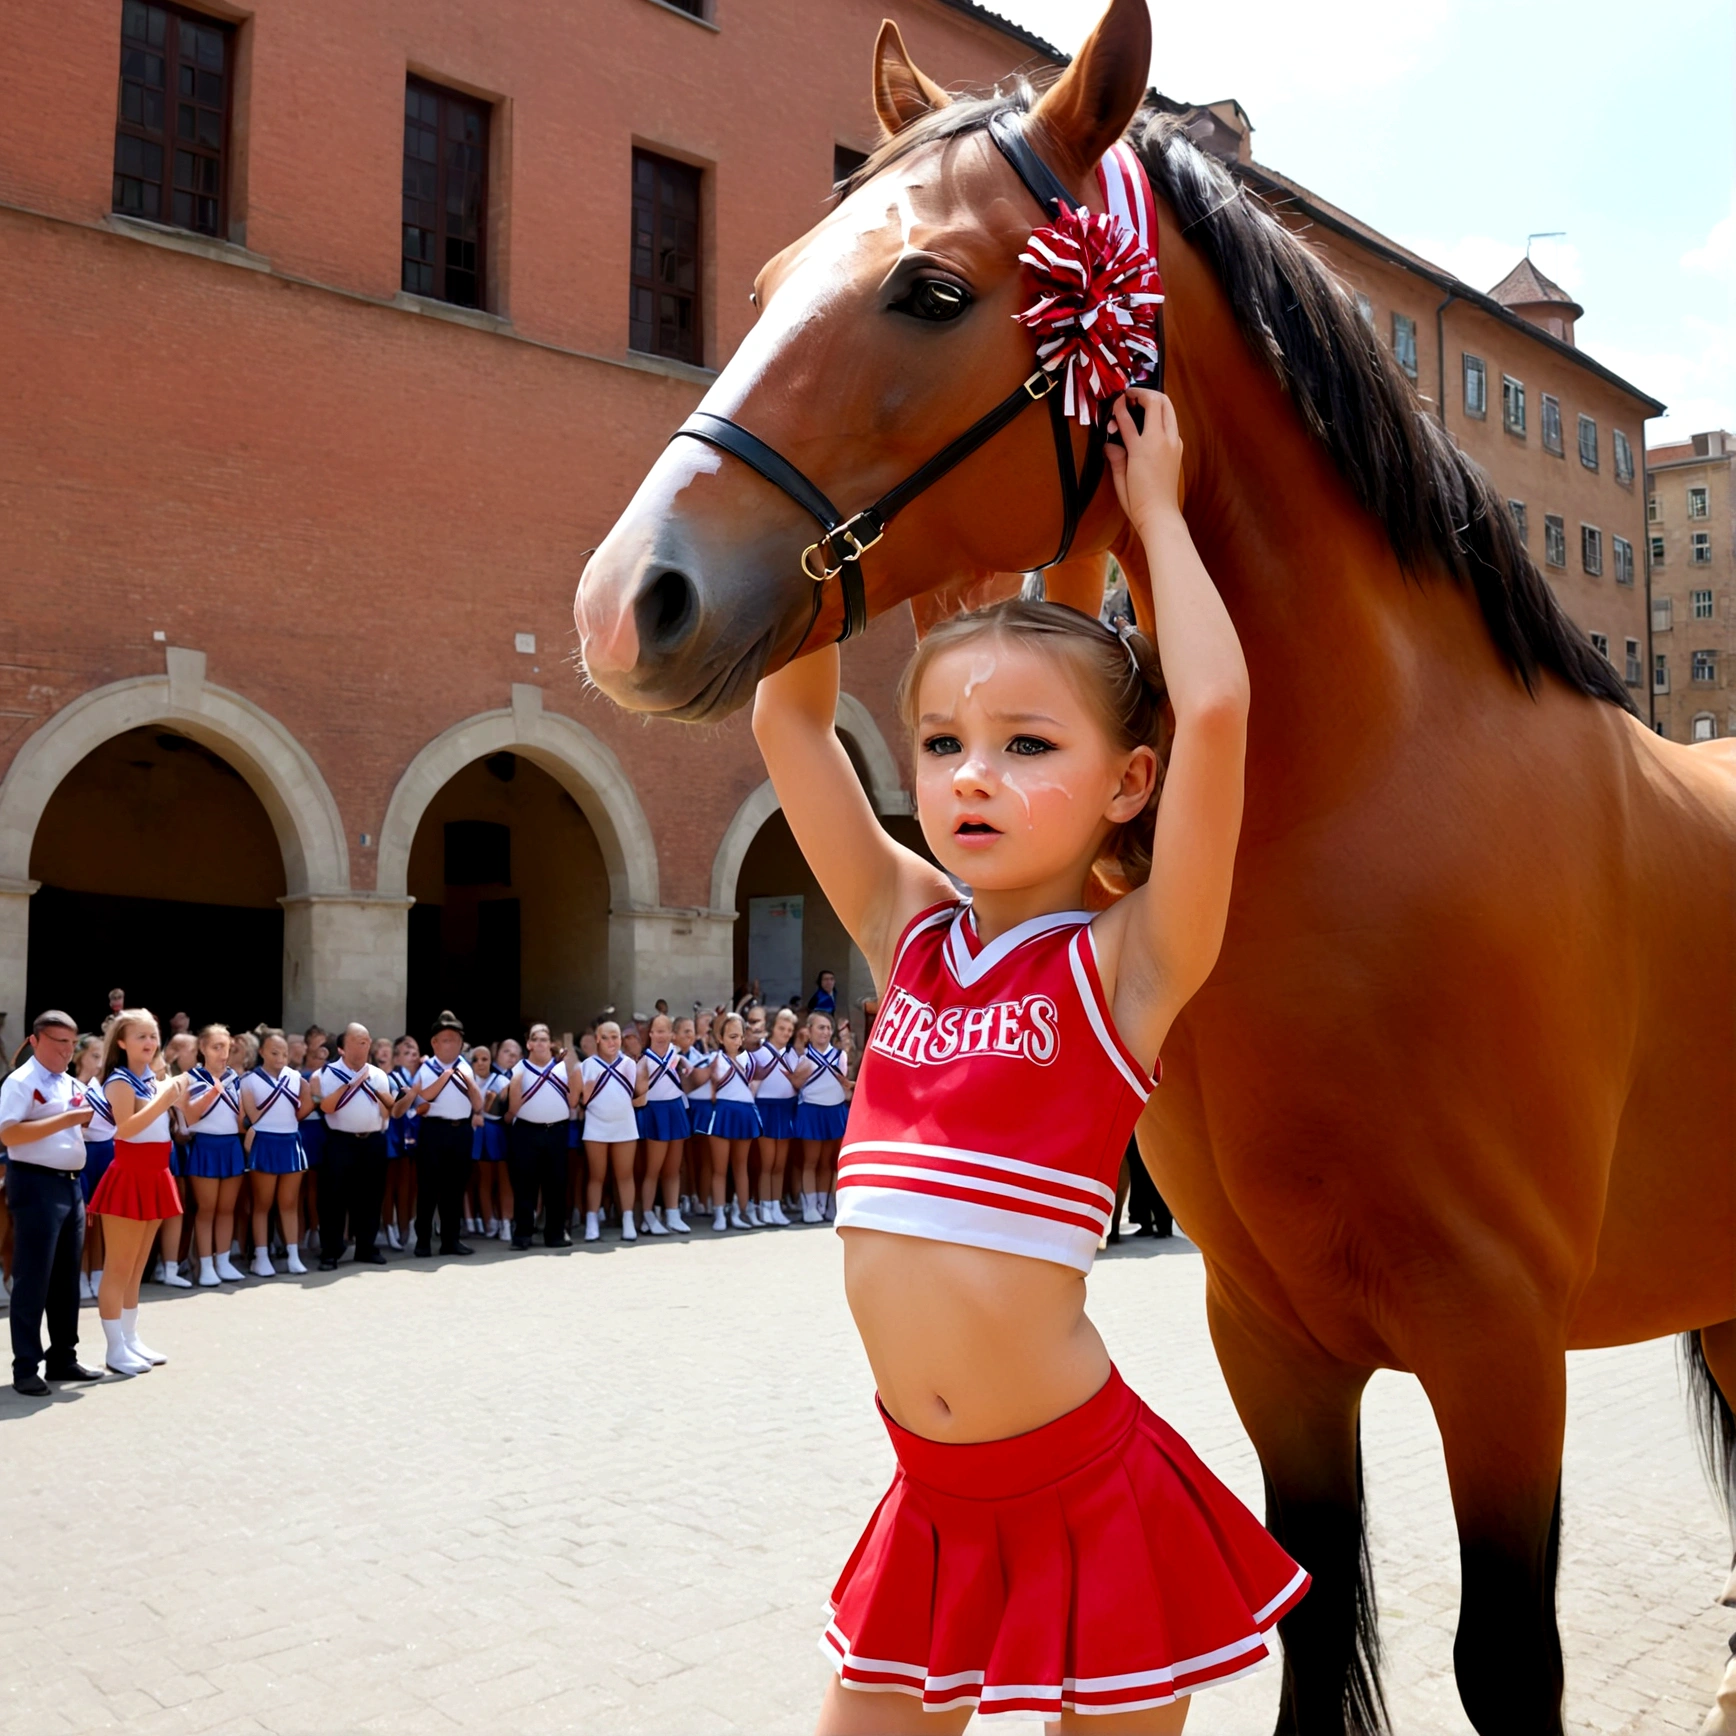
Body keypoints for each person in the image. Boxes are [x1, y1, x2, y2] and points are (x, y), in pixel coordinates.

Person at [752, 389, 1306, 1731]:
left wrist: (1159, 514)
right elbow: (788, 728)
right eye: (942, 745)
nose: (970, 779)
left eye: (1027, 746)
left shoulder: (1130, 961)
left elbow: (1218, 714)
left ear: (1127, 784)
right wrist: (841, 532)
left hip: (1084, 1494)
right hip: (927, 1494)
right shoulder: (910, 930)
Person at [0, 1011, 103, 1394]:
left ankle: (63, 1356)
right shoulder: (21, 1081)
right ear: (35, 1040)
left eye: (71, 1043)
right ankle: (26, 1366)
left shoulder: (70, 1082)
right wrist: (66, 1120)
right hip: (35, 1183)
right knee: (33, 1278)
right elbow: (9, 1132)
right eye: (58, 1042)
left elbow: (82, 1123)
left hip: (69, 1185)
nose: (66, 1050)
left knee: (64, 1280)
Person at [90, 1009, 188, 1375]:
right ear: (121, 1042)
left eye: (153, 1035)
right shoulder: (119, 1079)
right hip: (129, 1175)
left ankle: (130, 1339)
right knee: (118, 1266)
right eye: (140, 1036)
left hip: (156, 1172)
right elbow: (125, 1128)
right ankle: (115, 1348)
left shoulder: (151, 1078)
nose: (149, 1043)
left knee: (137, 1267)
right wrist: (166, 1099)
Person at [316, 1023, 394, 1271]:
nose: (365, 1045)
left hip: (372, 1141)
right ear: (345, 1046)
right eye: (359, 1041)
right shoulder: (326, 1074)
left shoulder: (379, 1075)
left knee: (371, 1197)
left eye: (367, 1040)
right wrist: (350, 1084)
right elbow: (326, 1107)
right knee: (334, 1199)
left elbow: (386, 1109)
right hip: (340, 1141)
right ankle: (331, 1251)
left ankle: (366, 1247)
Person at [409, 1011, 481, 1257]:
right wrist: (445, 1078)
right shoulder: (426, 1068)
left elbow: (479, 1104)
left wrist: (469, 1083)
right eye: (445, 1039)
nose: (451, 1044)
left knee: (455, 1188)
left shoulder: (467, 1068)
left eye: (455, 1040)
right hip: (434, 1130)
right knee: (428, 1187)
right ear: (435, 1043)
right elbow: (420, 1099)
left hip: (461, 1130)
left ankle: (451, 1239)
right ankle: (423, 1240)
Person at [240, 1029, 309, 1277]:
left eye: (284, 1054)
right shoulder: (248, 1080)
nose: (280, 1058)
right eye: (274, 1053)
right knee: (262, 1204)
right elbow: (250, 1117)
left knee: (289, 1203)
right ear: (261, 1053)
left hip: (290, 1140)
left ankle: (293, 1255)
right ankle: (261, 1256)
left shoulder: (296, 1077)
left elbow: (306, 1106)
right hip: (265, 1141)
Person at [182, 1024, 247, 1285]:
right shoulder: (191, 1078)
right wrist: (213, 1090)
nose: (223, 1054)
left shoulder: (237, 1079)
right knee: (206, 1209)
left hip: (231, 1145)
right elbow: (190, 1117)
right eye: (216, 1047)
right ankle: (205, 1264)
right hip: (205, 1146)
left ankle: (223, 1260)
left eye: (226, 1048)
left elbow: (243, 1120)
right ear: (202, 1048)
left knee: (226, 1209)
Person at [504, 1024, 576, 1249]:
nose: (542, 1043)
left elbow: (574, 1097)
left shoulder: (563, 1069)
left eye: (546, 1039)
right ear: (529, 1044)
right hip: (527, 1131)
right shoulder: (520, 1068)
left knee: (556, 1184)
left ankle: (555, 1234)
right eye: (537, 1039)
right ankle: (523, 1234)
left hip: (556, 1131)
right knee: (525, 1185)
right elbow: (514, 1105)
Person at [576, 1021, 638, 1242]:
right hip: (596, 1126)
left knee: (625, 1174)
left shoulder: (630, 1064)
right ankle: (592, 1221)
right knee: (596, 1176)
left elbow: (636, 1095)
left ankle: (628, 1220)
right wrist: (586, 1095)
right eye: (607, 1037)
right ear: (598, 1040)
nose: (612, 1042)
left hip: (625, 1125)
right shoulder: (587, 1065)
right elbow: (579, 1100)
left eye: (616, 1037)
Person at [700, 1013, 760, 1232]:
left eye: (739, 1036)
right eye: (732, 1036)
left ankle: (740, 1211)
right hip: (723, 1113)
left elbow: (753, 1087)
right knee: (719, 1168)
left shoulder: (750, 1060)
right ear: (721, 1038)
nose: (736, 1041)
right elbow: (708, 1091)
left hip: (744, 1114)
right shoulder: (714, 1060)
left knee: (740, 1166)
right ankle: (719, 1213)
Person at [632, 1013, 690, 1236]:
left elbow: (689, 1077)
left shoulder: (678, 1056)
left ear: (671, 1034)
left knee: (674, 1168)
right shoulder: (644, 1060)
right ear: (650, 1034)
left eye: (665, 1030)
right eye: (657, 1031)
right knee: (653, 1169)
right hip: (655, 1110)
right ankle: (648, 1215)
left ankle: (673, 1214)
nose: (661, 1035)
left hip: (675, 1109)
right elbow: (638, 1090)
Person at [792, 1011, 850, 1224]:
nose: (825, 1032)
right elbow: (796, 1084)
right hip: (811, 1110)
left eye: (828, 1028)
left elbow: (844, 1084)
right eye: (820, 1027)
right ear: (809, 1030)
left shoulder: (840, 1056)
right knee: (810, 1161)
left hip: (834, 1111)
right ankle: (810, 1205)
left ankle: (826, 1205)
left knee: (828, 1162)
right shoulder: (803, 1056)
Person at [73, 1033, 114, 1301]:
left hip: (107, 1153)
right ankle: (79, 1274)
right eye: (94, 1056)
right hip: (82, 1154)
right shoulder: (69, 1085)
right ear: (79, 1057)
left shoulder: (107, 1086)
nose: (99, 1063)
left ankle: (99, 1273)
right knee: (82, 1219)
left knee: (102, 1217)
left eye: (103, 1057)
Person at [751, 1006, 800, 1227]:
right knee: (767, 1163)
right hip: (765, 1108)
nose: (786, 1032)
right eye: (782, 1027)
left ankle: (776, 1205)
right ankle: (764, 1206)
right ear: (773, 1028)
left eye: (790, 1029)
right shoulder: (759, 1053)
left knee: (780, 1163)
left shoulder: (793, 1055)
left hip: (786, 1109)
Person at [383, 1034, 420, 1252]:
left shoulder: (423, 1076)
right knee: (390, 1186)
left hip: (415, 1136)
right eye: (406, 1053)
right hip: (394, 1134)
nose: (412, 1056)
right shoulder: (392, 1078)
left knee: (409, 1186)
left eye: (414, 1052)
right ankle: (389, 1227)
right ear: (396, 1059)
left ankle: (408, 1226)